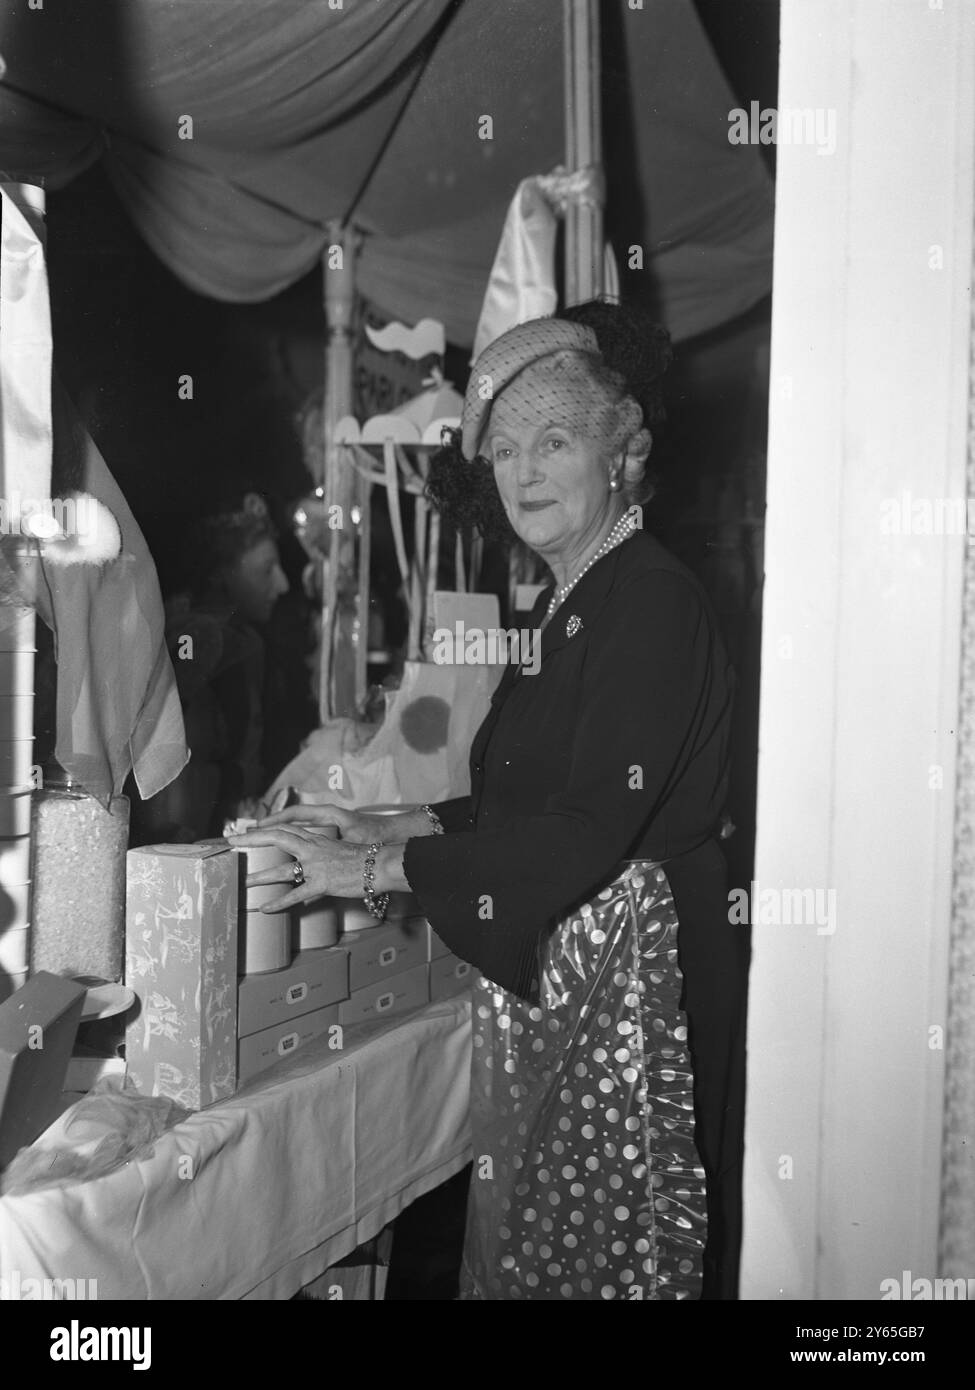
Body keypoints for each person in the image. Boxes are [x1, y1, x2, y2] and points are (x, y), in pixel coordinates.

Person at [231, 313, 747, 1301]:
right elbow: (529, 796)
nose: (524, 471)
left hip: (639, 988)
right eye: (505, 449)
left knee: (610, 1256)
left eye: (554, 441)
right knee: (546, 1243)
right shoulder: (582, 595)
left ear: (625, 446)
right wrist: (397, 824)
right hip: (577, 973)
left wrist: (375, 871)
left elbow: (588, 829)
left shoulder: (650, 600)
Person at [137, 495, 290, 840]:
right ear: (223, 574)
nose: (283, 584)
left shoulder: (238, 638)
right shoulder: (203, 638)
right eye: (266, 570)